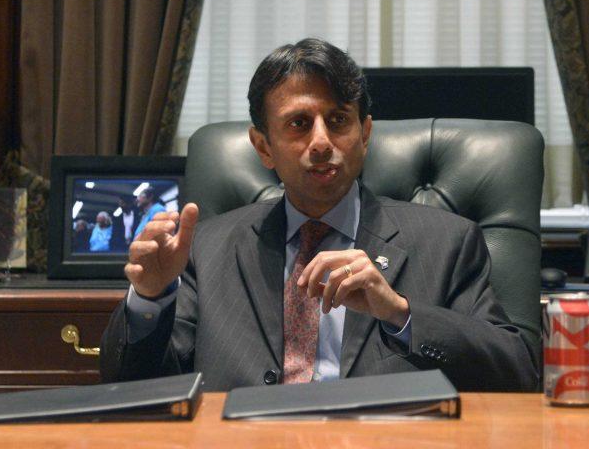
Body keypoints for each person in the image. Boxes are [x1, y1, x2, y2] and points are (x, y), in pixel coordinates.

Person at [99, 38, 538, 392]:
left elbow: (517, 372)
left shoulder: (448, 242)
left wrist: (400, 314)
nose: (322, 141)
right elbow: (131, 388)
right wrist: (151, 298)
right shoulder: (206, 250)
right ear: (263, 147)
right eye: (299, 124)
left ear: (364, 134)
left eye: (339, 119)